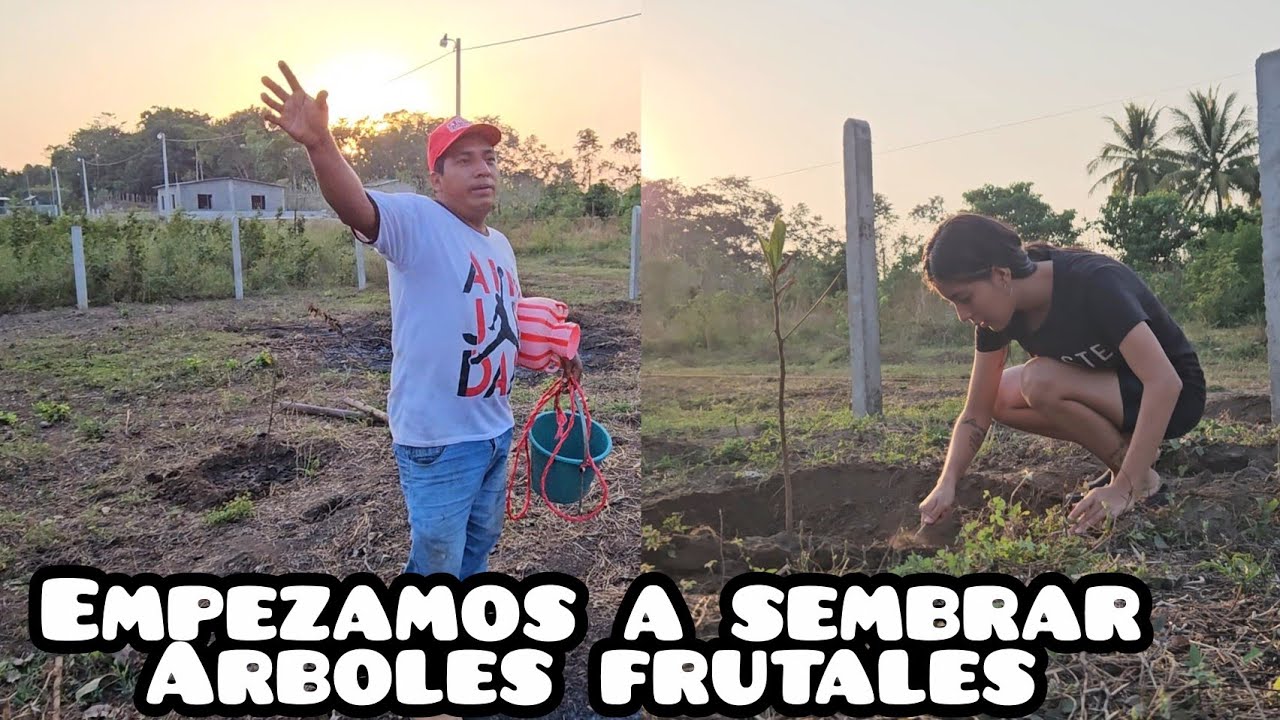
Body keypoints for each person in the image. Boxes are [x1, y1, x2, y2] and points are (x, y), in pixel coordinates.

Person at [259, 60, 582, 578]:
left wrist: (559, 350)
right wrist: (321, 144)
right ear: (437, 178)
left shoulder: (500, 246)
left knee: (477, 551)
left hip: (495, 430)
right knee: (435, 565)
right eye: (464, 161)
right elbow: (355, 206)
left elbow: (500, 322)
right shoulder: (417, 223)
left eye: (490, 158)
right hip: (438, 442)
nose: (483, 169)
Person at [915, 213, 1205, 535]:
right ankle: (1130, 463)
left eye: (964, 298)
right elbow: (975, 413)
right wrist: (947, 483)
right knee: (998, 395)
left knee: (1039, 380)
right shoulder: (999, 314)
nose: (963, 315)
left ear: (1000, 275)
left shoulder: (1093, 282)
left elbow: (1165, 382)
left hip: (1175, 398)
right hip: (1115, 391)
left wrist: (1123, 489)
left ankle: (1139, 482)